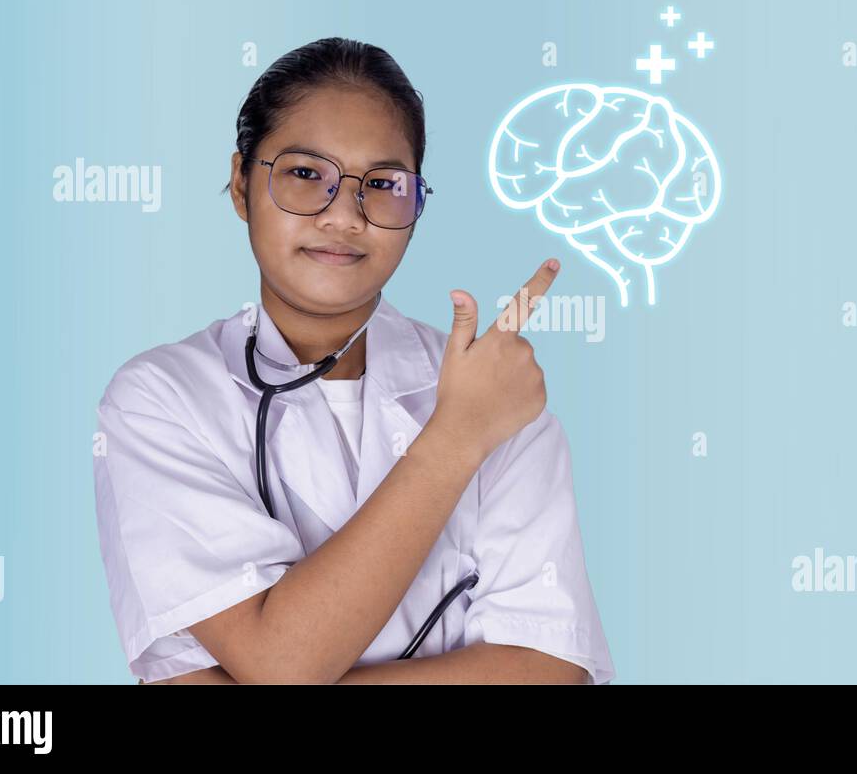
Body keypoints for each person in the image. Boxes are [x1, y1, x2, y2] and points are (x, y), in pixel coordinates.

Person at [92, 37, 614, 684]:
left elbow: (551, 669)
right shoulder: (161, 399)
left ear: (417, 205)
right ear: (239, 183)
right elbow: (281, 660)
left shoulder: (500, 396)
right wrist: (455, 438)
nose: (344, 214)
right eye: (306, 173)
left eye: (382, 184)